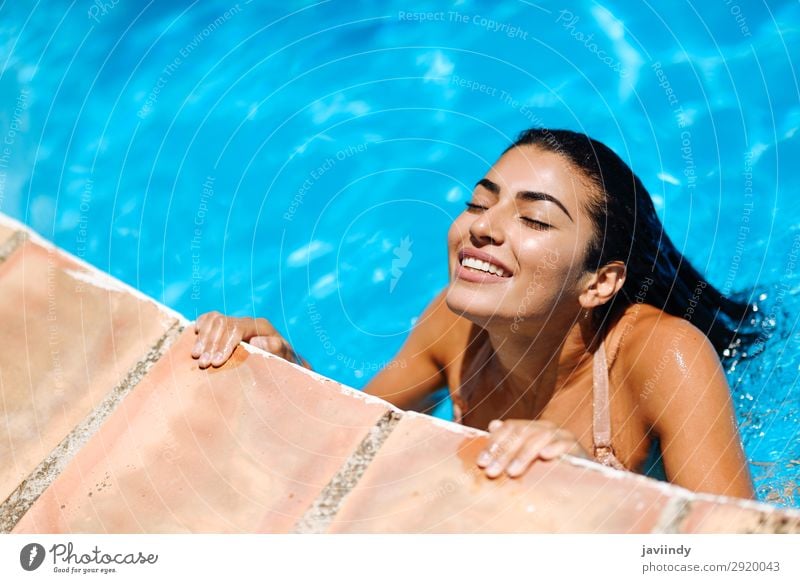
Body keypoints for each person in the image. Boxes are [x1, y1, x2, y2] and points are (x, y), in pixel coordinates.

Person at [191, 128, 755, 499]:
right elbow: (352, 432)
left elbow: (741, 555)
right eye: (479, 203)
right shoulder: (452, 324)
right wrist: (284, 373)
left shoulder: (663, 358)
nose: (482, 226)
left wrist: (596, 491)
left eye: (533, 221)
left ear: (598, 282)